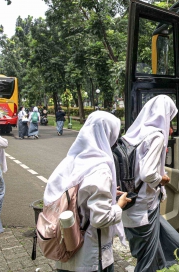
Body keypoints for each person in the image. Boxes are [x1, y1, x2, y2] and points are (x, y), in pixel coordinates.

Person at [43, 111, 131, 272]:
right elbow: (100, 218)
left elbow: (76, 194)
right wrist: (119, 205)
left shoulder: (73, 160)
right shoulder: (100, 169)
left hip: (67, 249)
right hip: (90, 257)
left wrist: (107, 194)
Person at [121, 95, 179, 272]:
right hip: (144, 206)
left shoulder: (134, 133)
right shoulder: (156, 136)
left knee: (156, 251)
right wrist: (162, 179)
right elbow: (147, 173)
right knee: (147, 261)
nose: (171, 126)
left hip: (131, 204)